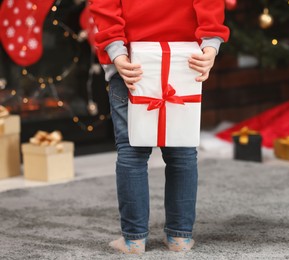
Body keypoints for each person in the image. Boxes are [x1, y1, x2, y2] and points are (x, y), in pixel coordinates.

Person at [89, 0, 229, 254]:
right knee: (183, 151)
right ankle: (179, 237)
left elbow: (104, 6)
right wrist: (210, 45)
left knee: (132, 152)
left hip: (131, 65)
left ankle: (133, 241)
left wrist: (117, 53)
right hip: (184, 63)